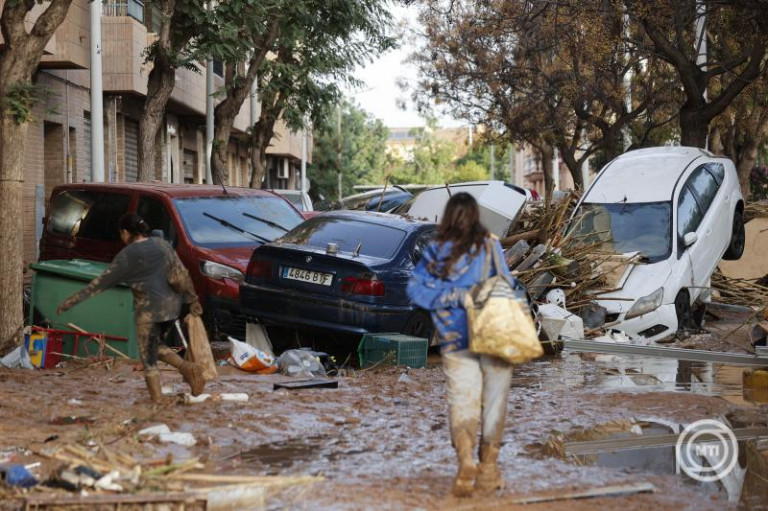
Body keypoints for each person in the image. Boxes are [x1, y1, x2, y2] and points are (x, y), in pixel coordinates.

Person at [407, 193, 514, 497]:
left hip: (455, 341)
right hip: (491, 337)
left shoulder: (436, 251)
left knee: (463, 401)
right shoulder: (491, 245)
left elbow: (416, 291)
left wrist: (446, 299)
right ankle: (489, 472)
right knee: (493, 404)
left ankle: (466, 461)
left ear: (449, 216)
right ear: (477, 215)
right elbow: (506, 285)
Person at [57, 213, 206, 403]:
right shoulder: (161, 244)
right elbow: (181, 274)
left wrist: (70, 302)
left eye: (122, 234)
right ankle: (187, 368)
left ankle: (158, 399)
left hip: (149, 311)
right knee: (156, 347)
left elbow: (100, 283)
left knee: (148, 358)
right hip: (172, 307)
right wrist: (193, 300)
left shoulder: (127, 255)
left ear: (126, 233)